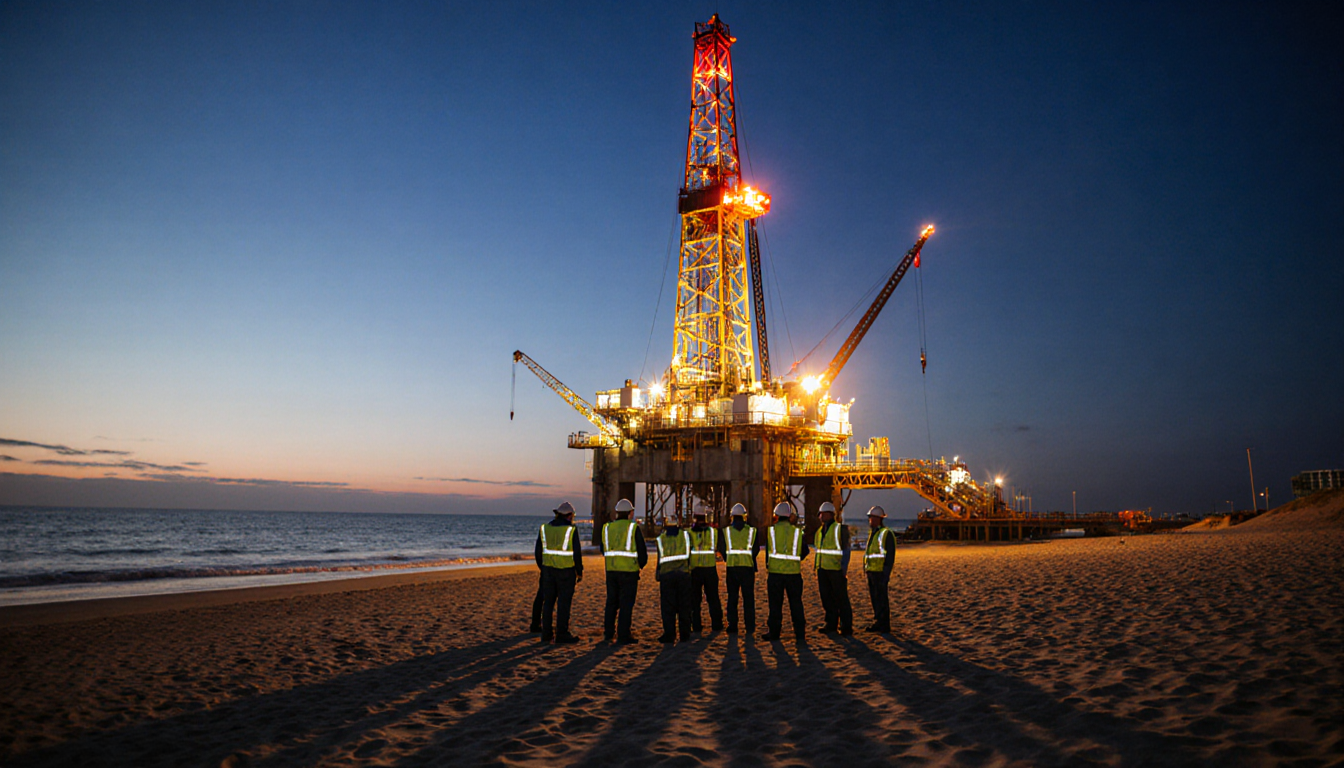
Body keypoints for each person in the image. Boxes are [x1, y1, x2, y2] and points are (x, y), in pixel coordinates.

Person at [533, 501, 584, 644]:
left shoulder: (545, 529)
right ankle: (562, 633)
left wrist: (543, 568)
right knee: (563, 603)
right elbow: (577, 553)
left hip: (548, 571)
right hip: (566, 572)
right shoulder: (571, 530)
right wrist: (579, 571)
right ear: (569, 516)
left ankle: (546, 634)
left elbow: (538, 551)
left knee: (548, 603)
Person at [599, 498, 647, 644]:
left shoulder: (607, 528)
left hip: (611, 571)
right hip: (629, 571)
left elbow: (603, 549)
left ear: (617, 512)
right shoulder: (633, 528)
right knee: (626, 604)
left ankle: (608, 633)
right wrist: (640, 565)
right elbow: (641, 551)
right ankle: (623, 634)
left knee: (611, 602)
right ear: (630, 513)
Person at [762, 501, 809, 642]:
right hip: (793, 574)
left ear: (776, 516)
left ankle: (774, 633)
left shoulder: (771, 531)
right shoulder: (797, 532)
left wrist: (769, 565)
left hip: (775, 574)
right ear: (789, 516)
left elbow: (768, 552)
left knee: (775, 605)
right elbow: (805, 551)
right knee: (796, 605)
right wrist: (794, 560)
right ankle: (800, 634)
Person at [718, 502, 761, 634]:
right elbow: (756, 548)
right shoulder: (752, 531)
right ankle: (750, 625)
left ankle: (733, 625)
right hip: (747, 568)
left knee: (732, 598)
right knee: (748, 598)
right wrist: (749, 558)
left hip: (732, 568)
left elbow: (721, 548)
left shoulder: (726, 531)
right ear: (744, 517)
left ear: (732, 517)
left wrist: (728, 558)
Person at [813, 501, 854, 635]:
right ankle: (831, 624)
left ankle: (846, 626)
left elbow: (846, 550)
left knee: (841, 598)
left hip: (836, 570)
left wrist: (843, 569)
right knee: (827, 598)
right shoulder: (819, 531)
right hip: (823, 569)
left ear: (829, 515)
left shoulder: (839, 529)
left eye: (822, 514)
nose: (820, 517)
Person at [654, 514, 694, 643]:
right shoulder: (685, 536)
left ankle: (669, 634)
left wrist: (657, 572)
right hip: (683, 574)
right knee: (685, 605)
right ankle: (685, 634)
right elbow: (690, 552)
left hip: (667, 575)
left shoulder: (661, 538)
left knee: (668, 607)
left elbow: (660, 558)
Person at [688, 505, 724, 633]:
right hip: (710, 569)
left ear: (694, 517)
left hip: (695, 570)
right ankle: (717, 624)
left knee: (694, 600)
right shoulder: (714, 532)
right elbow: (722, 549)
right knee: (713, 598)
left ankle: (696, 626)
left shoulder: (689, 533)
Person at [863, 505, 897, 634]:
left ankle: (883, 624)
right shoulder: (873, 533)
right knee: (875, 598)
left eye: (871, 517)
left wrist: (886, 573)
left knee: (881, 598)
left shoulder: (886, 534)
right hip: (872, 570)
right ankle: (879, 621)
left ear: (878, 519)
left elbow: (890, 555)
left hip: (880, 571)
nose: (869, 520)